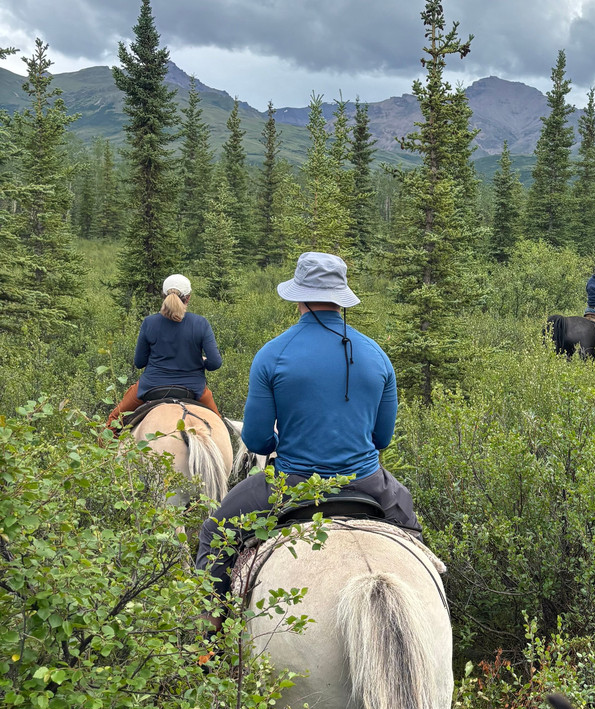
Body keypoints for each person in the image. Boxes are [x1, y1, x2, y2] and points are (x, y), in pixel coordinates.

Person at [195, 251, 418, 630]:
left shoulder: (272, 355)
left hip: (291, 487)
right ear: (341, 297)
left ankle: (207, 639)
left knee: (213, 533)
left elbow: (257, 441)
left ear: (298, 296)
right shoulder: (378, 356)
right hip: (368, 484)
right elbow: (382, 437)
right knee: (414, 540)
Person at [107, 274, 222, 430]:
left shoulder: (149, 322)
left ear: (164, 296)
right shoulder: (200, 323)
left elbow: (139, 362)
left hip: (151, 385)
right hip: (194, 388)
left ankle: (108, 454)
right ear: (188, 298)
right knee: (219, 426)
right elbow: (215, 363)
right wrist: (201, 361)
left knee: (114, 422)